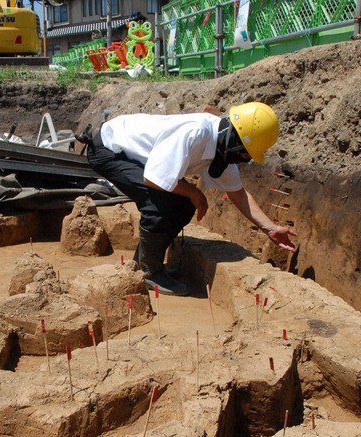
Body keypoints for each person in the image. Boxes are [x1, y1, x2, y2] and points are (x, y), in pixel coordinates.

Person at [86, 102, 297, 296]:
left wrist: (270, 229)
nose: (244, 160)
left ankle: (146, 265)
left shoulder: (224, 148)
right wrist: (195, 193)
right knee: (160, 205)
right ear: (237, 143)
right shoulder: (196, 132)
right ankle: (149, 272)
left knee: (183, 205)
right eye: (245, 155)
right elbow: (154, 179)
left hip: (135, 157)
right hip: (110, 149)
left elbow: (238, 193)